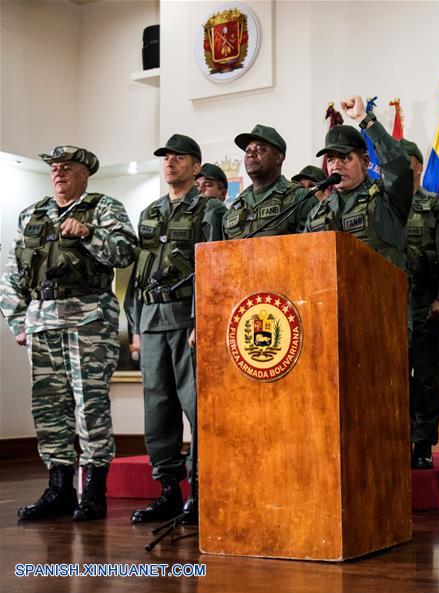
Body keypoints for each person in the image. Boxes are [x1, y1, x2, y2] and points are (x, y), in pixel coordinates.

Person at [0, 145, 136, 521]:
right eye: (55, 168)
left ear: (84, 174)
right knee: (48, 408)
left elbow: (125, 253)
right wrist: (18, 321)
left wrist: (89, 233)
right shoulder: (33, 214)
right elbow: (13, 272)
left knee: (90, 405)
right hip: (42, 320)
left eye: (68, 168)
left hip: (89, 319)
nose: (59, 173)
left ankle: (93, 491)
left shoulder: (104, 207)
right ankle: (59, 489)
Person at [127, 134, 225, 524]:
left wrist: (204, 318)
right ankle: (167, 489)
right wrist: (133, 324)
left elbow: (215, 269)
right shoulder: (150, 212)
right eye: (166, 158)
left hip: (188, 320)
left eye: (179, 157)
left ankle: (201, 492)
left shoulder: (211, 209)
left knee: (196, 407)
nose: (170, 163)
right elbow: (138, 273)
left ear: (196, 166)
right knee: (157, 408)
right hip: (151, 321)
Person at [305, 96, 413, 271]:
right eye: (331, 160)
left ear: (365, 161)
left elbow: (398, 165)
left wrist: (365, 119)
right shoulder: (317, 213)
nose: (336, 166)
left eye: (345, 158)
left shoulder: (386, 197)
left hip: (383, 295)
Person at [403, 138, 439, 469]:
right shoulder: (382, 206)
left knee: (425, 376)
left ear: (418, 166)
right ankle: (395, 436)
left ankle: (423, 441)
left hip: (424, 301)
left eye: (404, 162)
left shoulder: (436, 206)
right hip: (386, 303)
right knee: (391, 376)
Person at [224, 125, 316, 239]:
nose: (250, 154)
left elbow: (314, 248)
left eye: (260, 149)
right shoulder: (235, 207)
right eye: (248, 150)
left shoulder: (300, 197)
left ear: (278, 157)